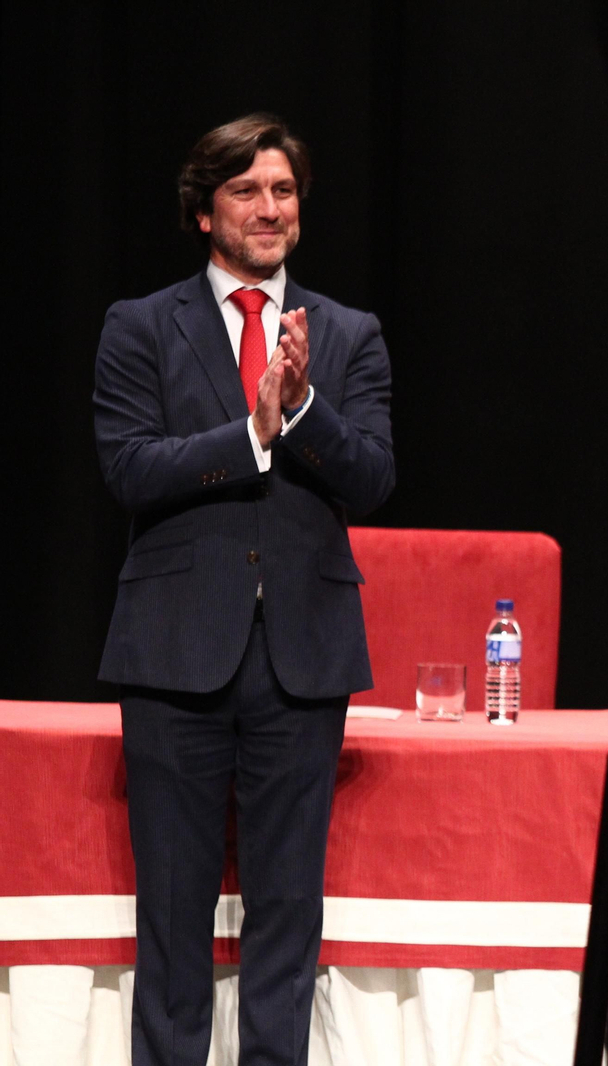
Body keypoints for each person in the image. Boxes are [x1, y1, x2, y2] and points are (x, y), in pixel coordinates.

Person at [93, 113, 395, 1066]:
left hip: (303, 655)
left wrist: (301, 411)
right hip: (174, 652)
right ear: (204, 212)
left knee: (288, 912)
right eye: (247, 191)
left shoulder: (348, 333)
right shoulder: (141, 325)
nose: (270, 209)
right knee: (172, 911)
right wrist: (252, 435)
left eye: (284, 191)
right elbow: (130, 469)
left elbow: (372, 479)